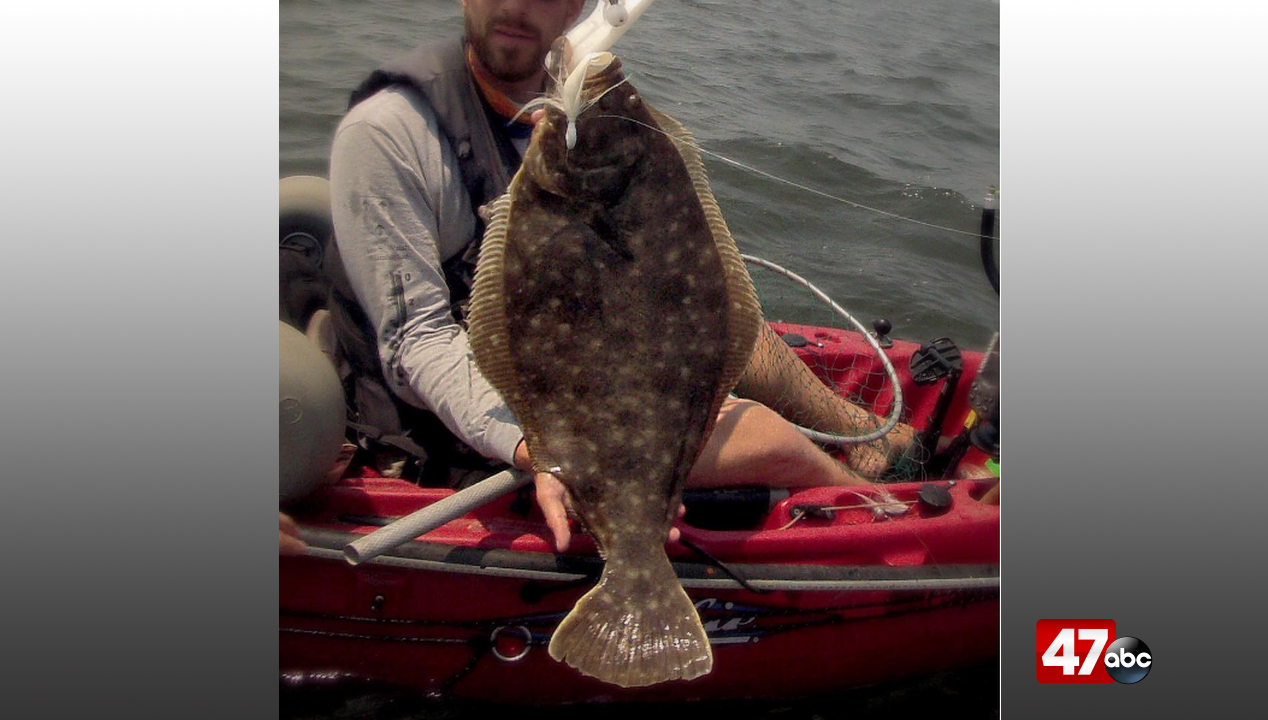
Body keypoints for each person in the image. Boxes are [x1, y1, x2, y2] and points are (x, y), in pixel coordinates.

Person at [326, 0, 914, 552]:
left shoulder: (561, 108)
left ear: (575, 7)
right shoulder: (387, 134)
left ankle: (880, 447)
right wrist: (539, 449)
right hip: (458, 415)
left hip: (566, 356)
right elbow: (415, 342)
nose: (515, 5)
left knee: (749, 342)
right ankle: (881, 521)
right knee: (769, 438)